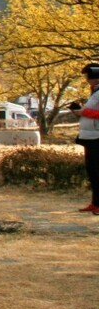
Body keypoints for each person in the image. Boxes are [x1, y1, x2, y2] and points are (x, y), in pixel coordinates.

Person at [69, 62, 99, 213]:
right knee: (92, 171)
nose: (87, 80)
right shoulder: (94, 92)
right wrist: (79, 111)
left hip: (97, 136)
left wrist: (84, 112)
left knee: (97, 170)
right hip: (89, 136)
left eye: (88, 77)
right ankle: (95, 202)